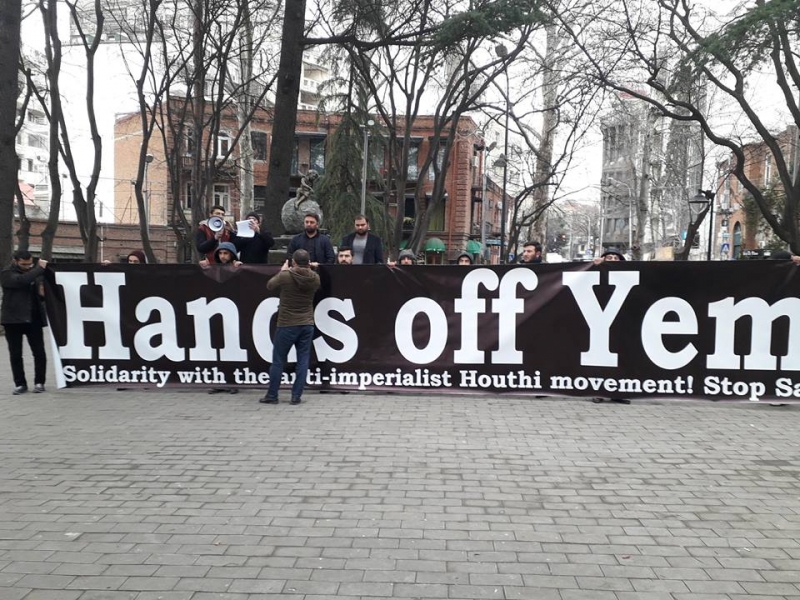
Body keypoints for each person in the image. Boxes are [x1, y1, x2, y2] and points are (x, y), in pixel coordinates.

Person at [261, 249, 321, 405]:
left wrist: (283, 270)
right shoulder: (315, 278)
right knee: (303, 360)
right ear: (309, 262)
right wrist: (312, 268)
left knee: (278, 360)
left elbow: (269, 285)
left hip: (287, 323)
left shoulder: (285, 276)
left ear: (293, 262)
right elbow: (308, 276)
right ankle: (296, 396)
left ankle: (272, 395)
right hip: (307, 323)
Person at [1, 251, 48, 395]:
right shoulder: (7, 274)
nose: (27, 267)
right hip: (13, 319)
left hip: (33, 318)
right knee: (16, 354)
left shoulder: (35, 273)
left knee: (39, 352)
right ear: (15, 261)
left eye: (30, 264)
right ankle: (20, 384)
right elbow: (21, 281)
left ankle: (39, 382)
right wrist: (39, 268)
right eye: (23, 264)